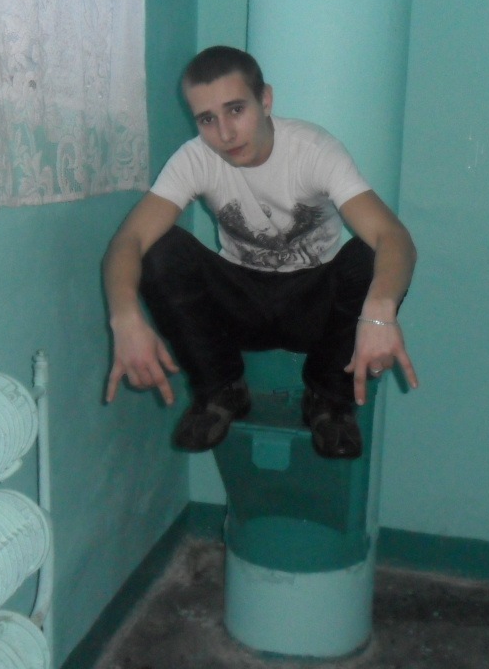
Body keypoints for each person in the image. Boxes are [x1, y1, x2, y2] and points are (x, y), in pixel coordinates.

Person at [103, 46, 417, 459]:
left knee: (367, 256)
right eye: (207, 119)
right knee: (160, 250)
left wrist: (380, 312)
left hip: (314, 305)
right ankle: (221, 390)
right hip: (240, 302)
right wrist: (125, 318)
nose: (225, 134)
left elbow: (394, 237)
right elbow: (128, 240)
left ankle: (329, 400)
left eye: (236, 110)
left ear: (265, 100)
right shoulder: (196, 159)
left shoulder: (313, 151)